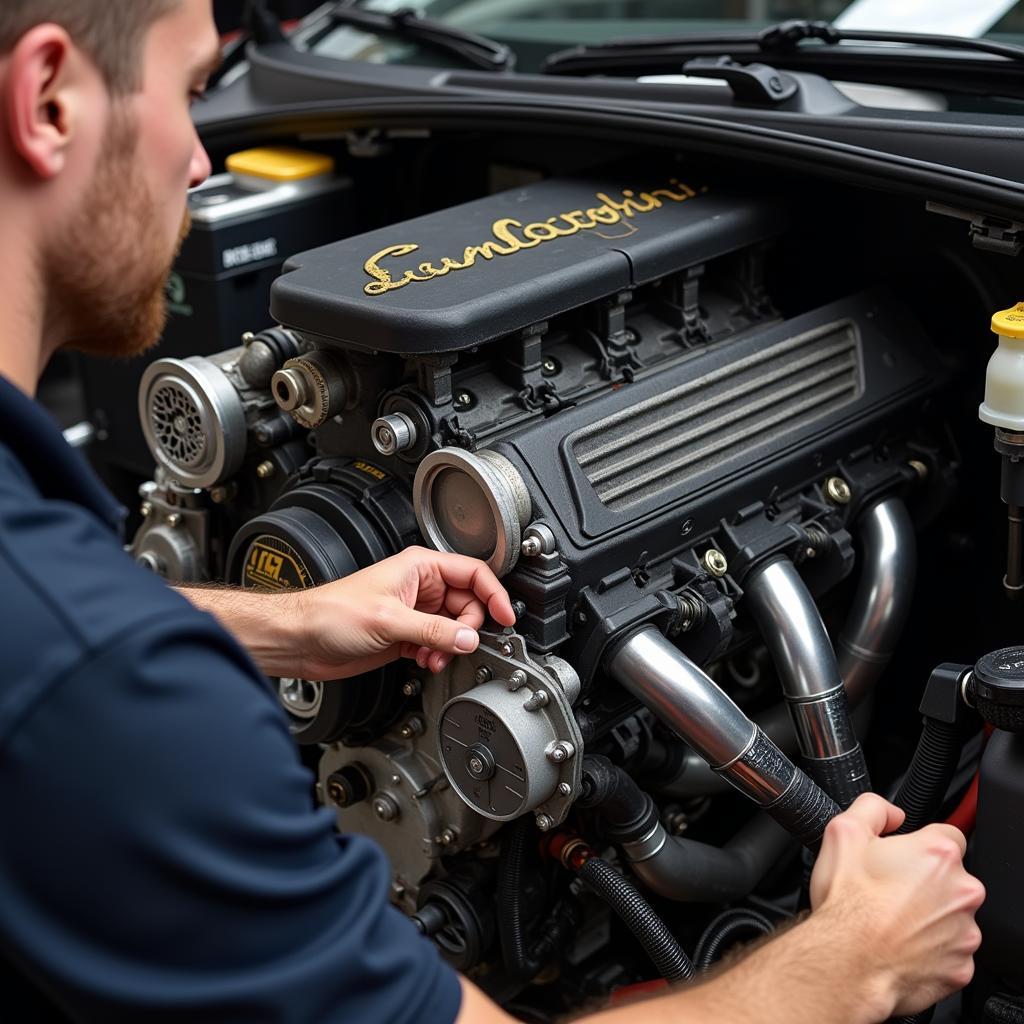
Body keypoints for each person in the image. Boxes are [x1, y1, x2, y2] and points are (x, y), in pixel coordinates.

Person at [0, 2, 985, 1021]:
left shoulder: (60, 612)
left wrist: (283, 624)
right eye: (191, 89)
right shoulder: (108, 689)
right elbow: (83, 664)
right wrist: (849, 960)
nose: (202, 159)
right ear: (48, 102)